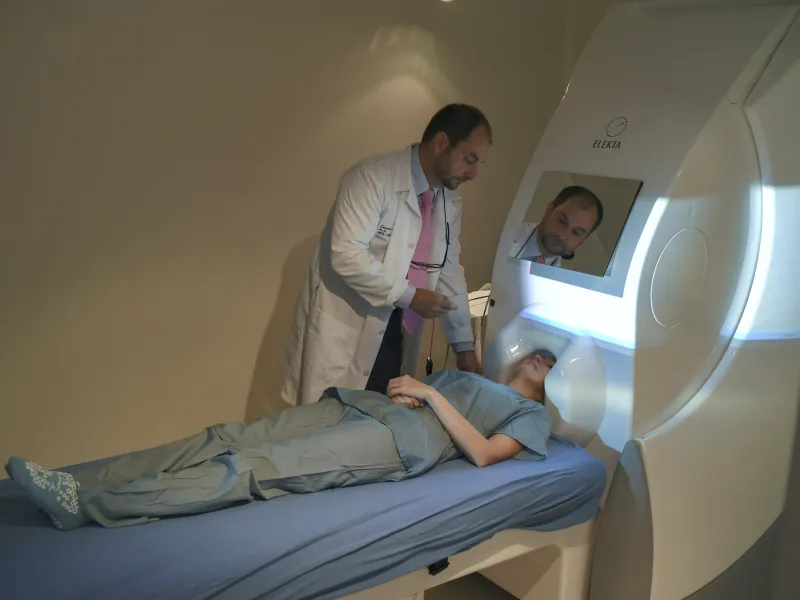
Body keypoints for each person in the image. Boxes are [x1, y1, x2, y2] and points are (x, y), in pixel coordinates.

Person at [5, 350, 556, 531]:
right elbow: (422, 393)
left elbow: (483, 455)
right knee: (223, 435)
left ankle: (88, 505)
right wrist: (414, 392)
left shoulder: (531, 414)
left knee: (249, 466)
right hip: (364, 409)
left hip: (394, 447)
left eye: (554, 362)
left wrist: (431, 399)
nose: (543, 358)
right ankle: (76, 479)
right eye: (542, 349)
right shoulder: (472, 372)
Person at [282, 104, 493, 407]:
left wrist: (463, 346)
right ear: (442, 143)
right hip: (347, 330)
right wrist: (410, 296)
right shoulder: (370, 179)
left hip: (394, 333)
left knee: (376, 425)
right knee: (325, 429)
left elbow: (448, 269)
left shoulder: (448, 201)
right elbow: (346, 254)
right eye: (469, 159)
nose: (473, 173)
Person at [509, 185, 604, 265]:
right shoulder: (504, 239)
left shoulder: (560, 281)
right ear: (550, 210)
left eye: (576, 232)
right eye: (562, 221)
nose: (562, 236)